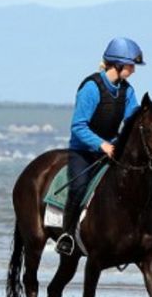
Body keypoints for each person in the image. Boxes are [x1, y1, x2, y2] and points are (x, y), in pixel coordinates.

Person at [55, 37, 144, 256]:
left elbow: (134, 119)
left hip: (112, 151)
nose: (133, 70)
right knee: (79, 186)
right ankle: (67, 235)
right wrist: (101, 144)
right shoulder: (91, 88)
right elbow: (78, 126)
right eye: (131, 65)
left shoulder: (127, 91)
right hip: (83, 151)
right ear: (118, 63)